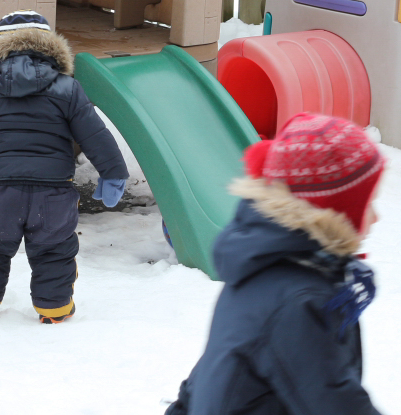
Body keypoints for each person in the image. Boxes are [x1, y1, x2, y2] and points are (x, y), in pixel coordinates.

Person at [164, 113, 386, 415]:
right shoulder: (300, 299)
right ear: (336, 211)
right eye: (368, 203)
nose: (376, 217)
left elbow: (214, 370)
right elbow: (335, 402)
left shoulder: (265, 266)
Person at [0, 10, 129, 323]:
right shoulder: (68, 89)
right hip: (53, 195)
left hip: (0, 194)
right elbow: (95, 134)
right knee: (54, 251)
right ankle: (54, 307)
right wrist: (113, 173)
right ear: (50, 47)